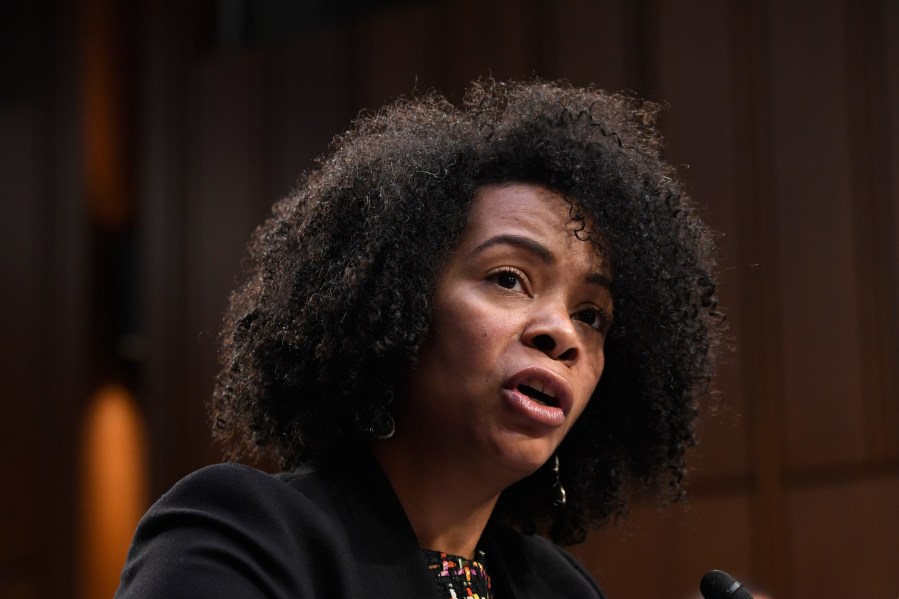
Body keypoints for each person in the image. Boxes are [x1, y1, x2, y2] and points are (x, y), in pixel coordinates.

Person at [115, 79, 723, 598]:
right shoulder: (239, 530)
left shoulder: (558, 586)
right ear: (394, 304)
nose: (561, 333)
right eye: (509, 279)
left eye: (591, 315)